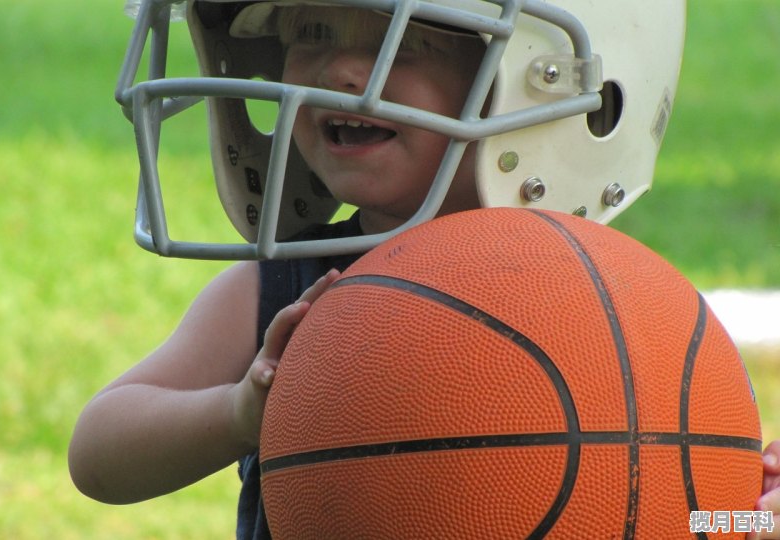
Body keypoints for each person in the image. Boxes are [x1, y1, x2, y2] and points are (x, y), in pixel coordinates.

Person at [69, 0, 780, 538]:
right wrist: (234, 415)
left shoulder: (630, 312)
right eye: (312, 34)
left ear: (541, 80)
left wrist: (748, 514)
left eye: (403, 41)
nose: (339, 72)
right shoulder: (278, 293)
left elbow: (684, 518)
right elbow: (98, 450)